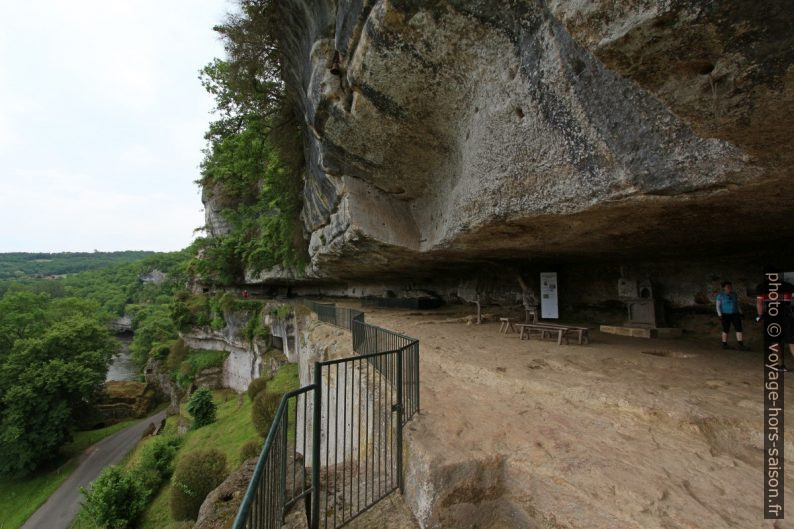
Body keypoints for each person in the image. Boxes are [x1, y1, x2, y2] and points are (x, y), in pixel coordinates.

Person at [756, 277, 794, 371]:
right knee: (792, 341)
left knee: (776, 340)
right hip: (788, 315)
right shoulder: (788, 286)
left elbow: (760, 303)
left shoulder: (762, 287)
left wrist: (760, 316)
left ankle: (780, 365)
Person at [716, 281, 746, 350]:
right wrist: (720, 315)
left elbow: (737, 304)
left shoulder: (734, 294)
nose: (730, 288)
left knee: (739, 328)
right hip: (725, 314)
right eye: (728, 287)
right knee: (726, 329)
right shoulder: (720, 295)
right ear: (724, 288)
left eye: (730, 286)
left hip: (735, 314)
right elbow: (717, 306)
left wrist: (741, 312)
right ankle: (724, 344)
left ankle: (740, 344)